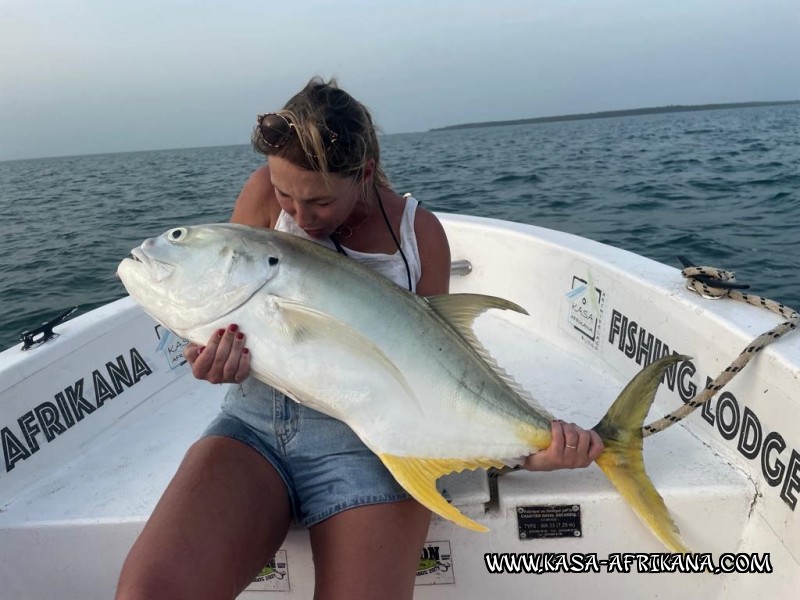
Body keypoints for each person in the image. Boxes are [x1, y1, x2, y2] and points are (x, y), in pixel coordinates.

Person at [115, 77, 603, 600]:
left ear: (364, 173)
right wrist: (208, 358)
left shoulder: (419, 236)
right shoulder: (260, 195)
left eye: (320, 201)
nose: (300, 216)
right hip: (253, 425)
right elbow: (228, 317)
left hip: (370, 444)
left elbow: (440, 377)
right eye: (286, 195)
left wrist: (532, 451)